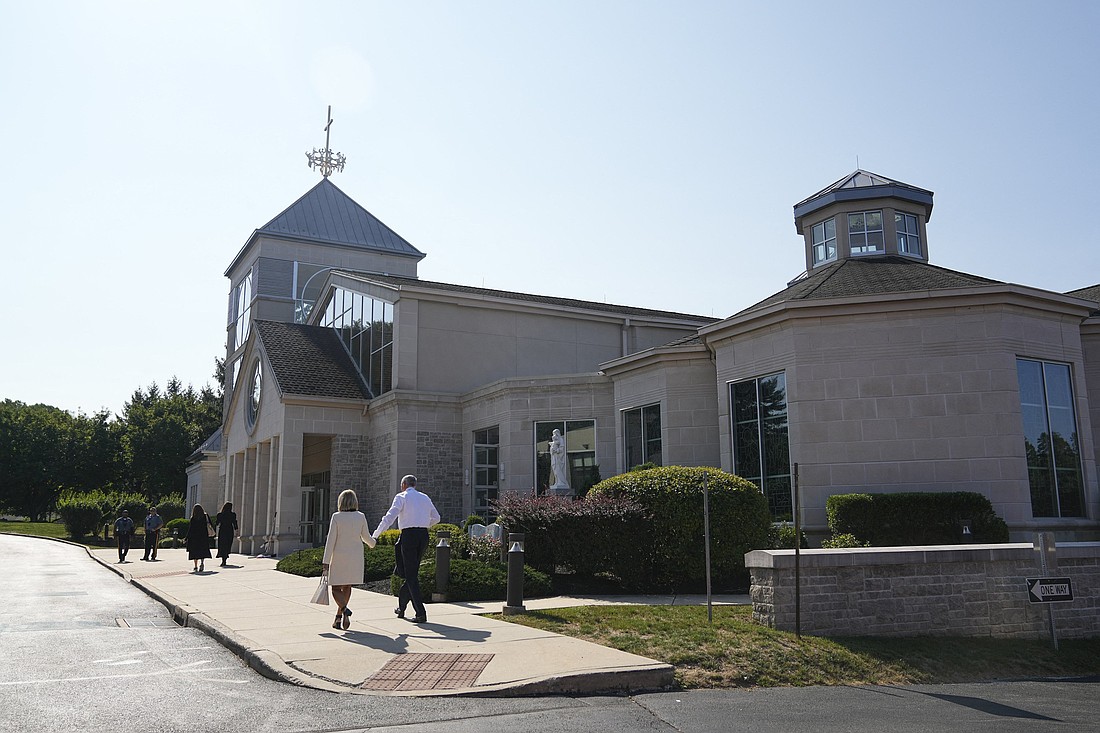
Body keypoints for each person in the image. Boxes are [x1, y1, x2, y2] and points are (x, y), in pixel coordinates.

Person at [371, 475, 440, 624]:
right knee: (412, 574)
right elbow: (437, 517)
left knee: (410, 575)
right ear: (414, 485)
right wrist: (424, 524)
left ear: (403, 485)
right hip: (423, 535)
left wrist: (375, 535)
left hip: (408, 536)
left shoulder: (401, 497)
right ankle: (401, 608)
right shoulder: (425, 497)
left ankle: (420, 613)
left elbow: (389, 518)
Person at [322, 490, 377, 630]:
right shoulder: (360, 516)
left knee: (335, 588)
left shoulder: (337, 517)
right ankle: (339, 617)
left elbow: (331, 540)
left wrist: (326, 561)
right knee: (347, 586)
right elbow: (366, 537)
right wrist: (373, 543)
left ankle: (345, 610)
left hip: (339, 556)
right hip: (355, 557)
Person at [185, 504, 214, 573]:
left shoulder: (193, 518)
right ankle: (202, 563)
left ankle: (195, 566)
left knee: (195, 552)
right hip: (203, 537)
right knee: (202, 551)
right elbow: (211, 524)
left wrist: (186, 538)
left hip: (194, 538)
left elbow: (190, 529)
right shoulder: (205, 516)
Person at [214, 502, 239, 567]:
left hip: (222, 530)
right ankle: (225, 556)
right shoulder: (232, 515)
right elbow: (234, 523)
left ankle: (223, 559)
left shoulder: (220, 515)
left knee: (222, 545)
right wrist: (236, 530)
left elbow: (217, 523)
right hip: (229, 530)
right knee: (228, 544)